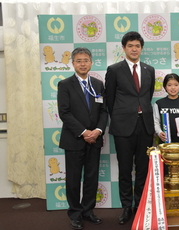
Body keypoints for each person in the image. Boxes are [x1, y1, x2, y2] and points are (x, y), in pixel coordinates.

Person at [105, 31, 155, 225]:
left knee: (143, 169)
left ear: (141, 48)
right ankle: (126, 207)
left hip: (145, 126)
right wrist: (123, 115)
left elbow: (147, 95)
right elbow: (110, 99)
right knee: (125, 169)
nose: (134, 49)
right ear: (124, 48)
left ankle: (141, 205)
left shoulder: (149, 69)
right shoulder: (114, 69)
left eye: (137, 46)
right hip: (123, 127)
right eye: (130, 46)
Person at [57, 47, 108, 230]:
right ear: (73, 63)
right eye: (79, 61)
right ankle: (75, 214)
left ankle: (88, 211)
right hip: (74, 140)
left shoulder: (98, 84)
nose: (83, 63)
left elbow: (104, 111)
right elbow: (64, 113)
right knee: (73, 178)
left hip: (95, 140)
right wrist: (84, 132)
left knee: (91, 177)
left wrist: (98, 130)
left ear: (91, 62)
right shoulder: (65, 84)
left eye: (86, 60)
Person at [153, 73, 179, 144]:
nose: (173, 88)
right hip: (164, 143)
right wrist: (159, 132)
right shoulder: (159, 103)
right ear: (165, 87)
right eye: (169, 85)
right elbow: (156, 122)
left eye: (176, 85)